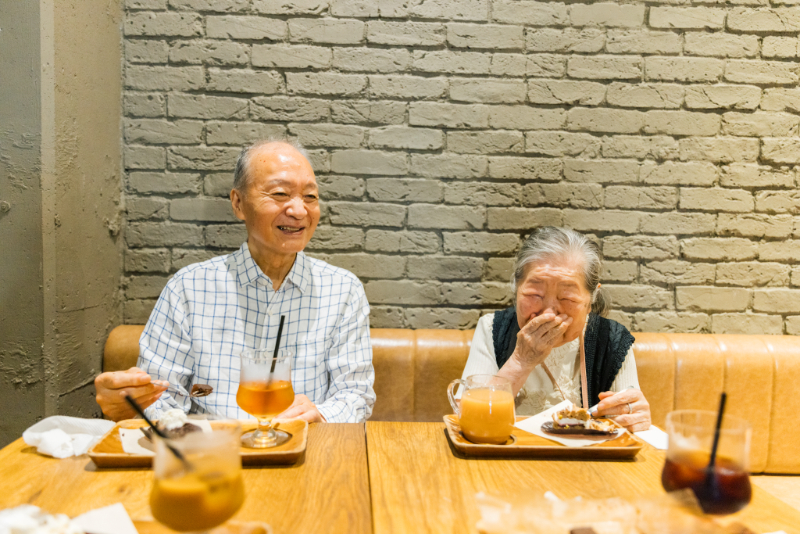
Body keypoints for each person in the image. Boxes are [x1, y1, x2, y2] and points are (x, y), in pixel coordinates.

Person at [95, 139, 375, 423]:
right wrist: (132, 403)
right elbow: (161, 396)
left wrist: (321, 413)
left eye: (310, 197)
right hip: (212, 455)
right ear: (238, 203)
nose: (299, 210)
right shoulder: (189, 288)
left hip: (304, 450)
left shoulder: (342, 290)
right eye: (280, 193)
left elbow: (356, 394)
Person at [461, 226, 651, 432]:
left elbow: (627, 429)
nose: (548, 314)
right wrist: (521, 360)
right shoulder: (491, 328)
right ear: (516, 288)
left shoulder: (612, 341)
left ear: (591, 301)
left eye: (567, 298)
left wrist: (634, 417)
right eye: (534, 294)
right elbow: (466, 420)